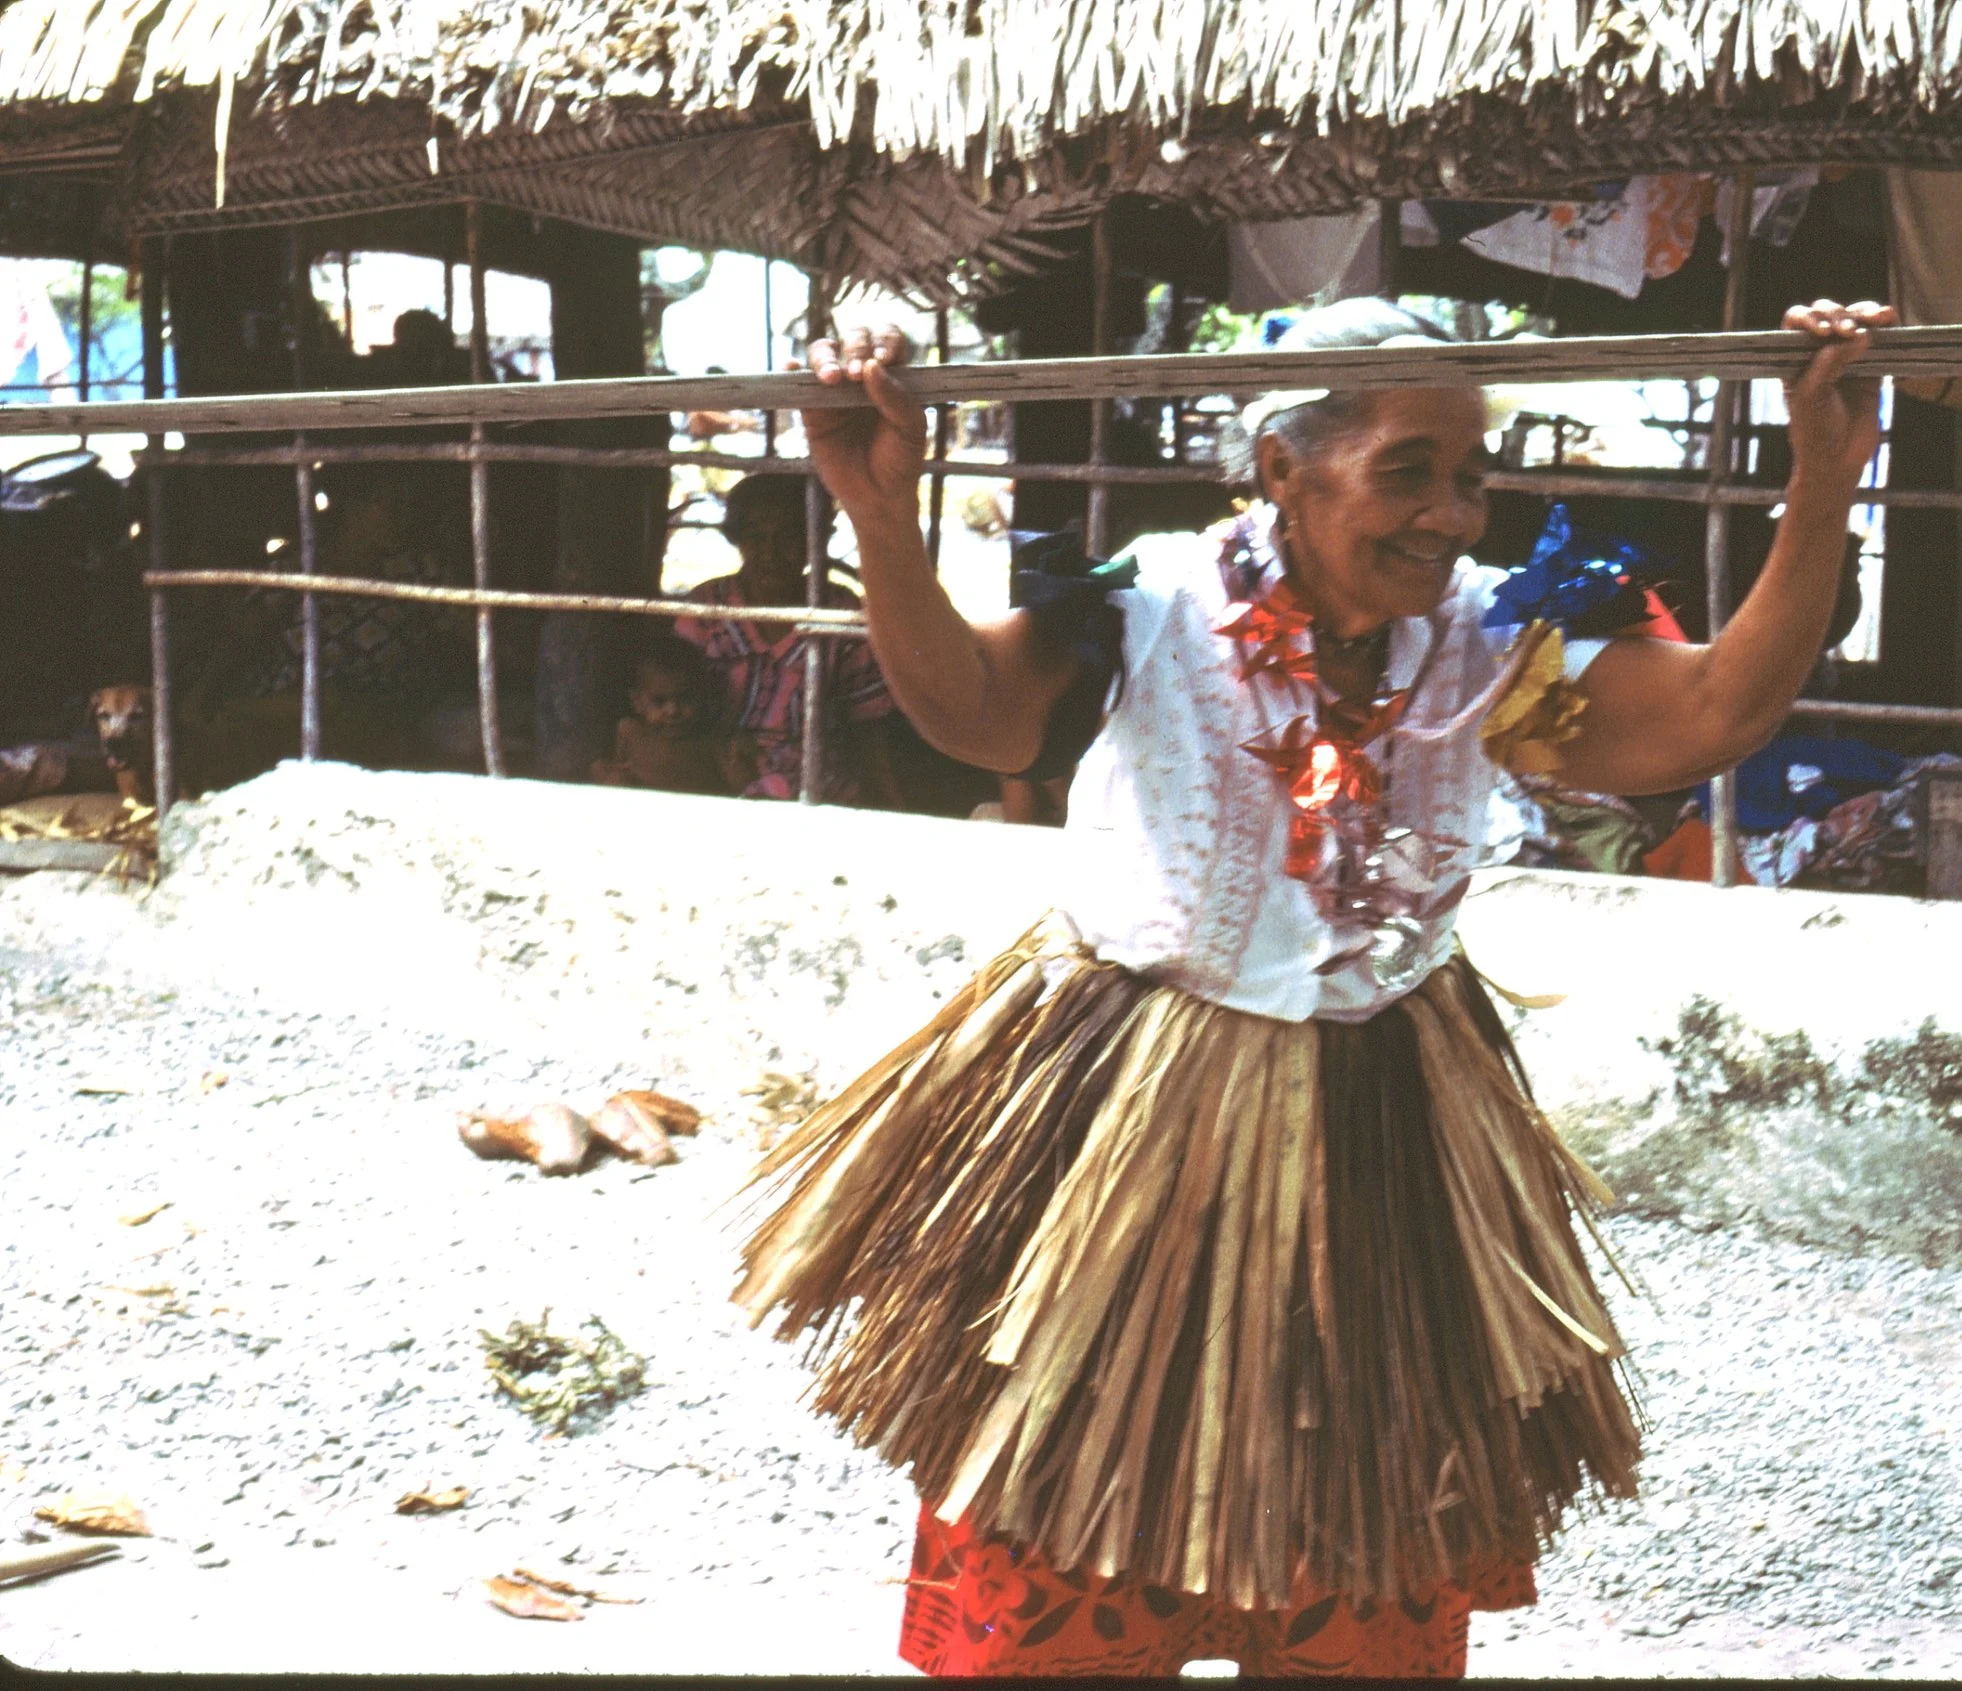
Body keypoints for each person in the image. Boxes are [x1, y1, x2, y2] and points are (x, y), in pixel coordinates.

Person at [731, 295, 1894, 1678]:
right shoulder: (1152, 602)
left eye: (1469, 477)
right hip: (1124, 1131)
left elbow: (1712, 716)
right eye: (1407, 469)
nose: (1453, 514)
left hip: (1387, 1135)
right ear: (1284, 469)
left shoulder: (1487, 641)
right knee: (1077, 1578)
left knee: (1358, 1581)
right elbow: (978, 716)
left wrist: (1823, 477)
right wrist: (879, 517)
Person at [673, 475, 897, 805]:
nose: (771, 552)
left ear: (816, 540)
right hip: (715, 764)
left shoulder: (838, 610)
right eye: (755, 536)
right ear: (737, 538)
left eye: (790, 536)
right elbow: (668, 696)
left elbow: (865, 723)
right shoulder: (706, 606)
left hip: (808, 777)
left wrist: (890, 801)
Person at [590, 639, 759, 797]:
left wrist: (737, 759)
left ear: (700, 697)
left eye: (685, 699)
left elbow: (743, 788)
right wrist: (606, 772)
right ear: (638, 702)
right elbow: (611, 766)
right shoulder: (629, 731)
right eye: (659, 701)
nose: (673, 711)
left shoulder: (710, 740)